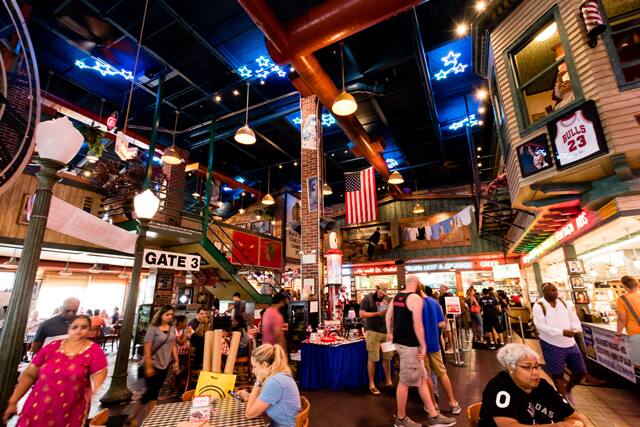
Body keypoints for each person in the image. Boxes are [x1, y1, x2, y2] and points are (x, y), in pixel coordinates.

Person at [3, 315, 108, 426]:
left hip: (69, 410)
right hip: (37, 406)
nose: (79, 330)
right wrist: (13, 401)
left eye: (84, 327)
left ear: (89, 329)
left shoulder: (94, 351)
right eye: (75, 327)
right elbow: (29, 375)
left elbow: (99, 376)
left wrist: (90, 391)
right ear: (68, 328)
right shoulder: (52, 347)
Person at [386, 275, 456, 427]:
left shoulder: (397, 297)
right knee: (405, 381)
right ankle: (401, 418)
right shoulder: (415, 299)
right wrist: (423, 345)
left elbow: (389, 315)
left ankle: (433, 414)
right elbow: (418, 325)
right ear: (417, 284)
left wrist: (390, 332)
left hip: (401, 343)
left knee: (422, 379)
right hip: (411, 345)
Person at [479, 344, 589, 427]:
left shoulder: (542, 385)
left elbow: (575, 418)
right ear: (510, 368)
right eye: (528, 367)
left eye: (536, 367)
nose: (535, 373)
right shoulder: (499, 388)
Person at [532, 283, 586, 400]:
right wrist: (561, 332)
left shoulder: (563, 303)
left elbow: (573, 318)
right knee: (558, 374)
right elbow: (540, 326)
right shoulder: (539, 305)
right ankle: (563, 401)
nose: (555, 292)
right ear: (544, 292)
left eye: (556, 290)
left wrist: (576, 329)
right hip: (551, 344)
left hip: (570, 343)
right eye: (552, 290)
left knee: (580, 371)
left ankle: (568, 389)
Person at [419, 285, 461, 415]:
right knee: (442, 373)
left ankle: (433, 405)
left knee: (426, 376)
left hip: (420, 345)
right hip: (434, 343)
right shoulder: (434, 303)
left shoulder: (415, 303)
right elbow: (442, 323)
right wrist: (432, 325)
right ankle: (453, 403)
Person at [237, 343, 301, 426]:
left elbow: (249, 414)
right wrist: (249, 397)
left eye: (254, 366)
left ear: (264, 365)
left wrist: (258, 381)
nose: (253, 371)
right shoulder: (279, 376)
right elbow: (265, 401)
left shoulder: (274, 382)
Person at [359, 282, 393, 395]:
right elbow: (362, 314)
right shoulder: (368, 298)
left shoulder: (387, 299)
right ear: (376, 289)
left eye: (384, 293)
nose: (382, 294)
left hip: (386, 332)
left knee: (387, 357)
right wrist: (377, 313)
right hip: (373, 332)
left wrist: (391, 331)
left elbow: (391, 315)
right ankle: (372, 384)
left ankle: (388, 381)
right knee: (373, 358)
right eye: (381, 292)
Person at [141, 305, 179, 405]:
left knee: (156, 390)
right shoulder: (153, 328)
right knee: (152, 392)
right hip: (153, 363)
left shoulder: (172, 328)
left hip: (165, 364)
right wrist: (148, 366)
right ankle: (147, 412)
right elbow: (147, 348)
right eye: (167, 314)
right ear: (161, 315)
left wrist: (176, 361)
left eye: (172, 314)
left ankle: (144, 410)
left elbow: (173, 345)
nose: (170, 317)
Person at [615, 276, 640, 365]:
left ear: (625, 287)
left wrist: (617, 335)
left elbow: (622, 319)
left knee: (638, 363)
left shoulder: (623, 299)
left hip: (636, 334)